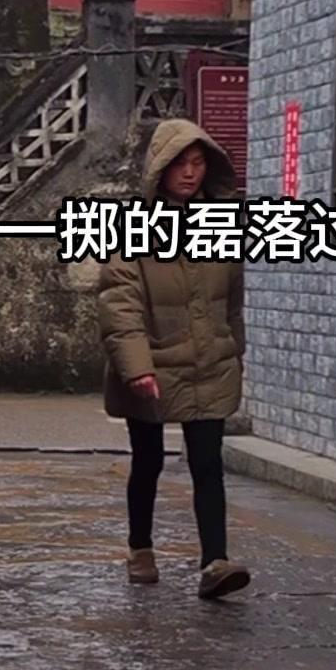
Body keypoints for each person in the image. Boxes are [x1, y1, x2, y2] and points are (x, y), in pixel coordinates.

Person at [98, 116, 250, 601]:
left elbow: (232, 302)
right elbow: (119, 304)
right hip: (154, 365)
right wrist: (137, 367)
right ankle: (140, 548)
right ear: (159, 168)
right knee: (148, 461)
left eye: (198, 163)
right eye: (180, 163)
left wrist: (234, 351)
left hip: (210, 363)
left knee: (208, 463)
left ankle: (215, 562)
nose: (189, 172)